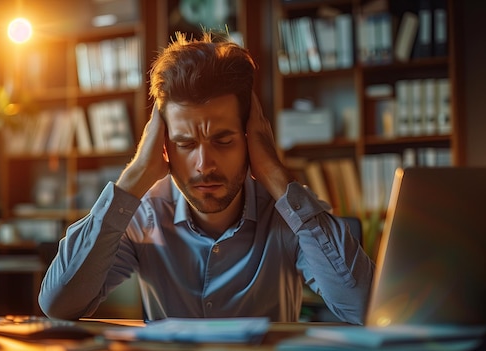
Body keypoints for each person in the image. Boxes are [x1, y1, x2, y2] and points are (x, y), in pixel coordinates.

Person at [38, 32, 375, 324]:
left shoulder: (288, 215)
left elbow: (365, 308)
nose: (204, 164)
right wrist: (136, 175)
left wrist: (273, 172)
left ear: (250, 140)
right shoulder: (143, 215)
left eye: (224, 140)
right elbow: (58, 305)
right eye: (185, 144)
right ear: (164, 147)